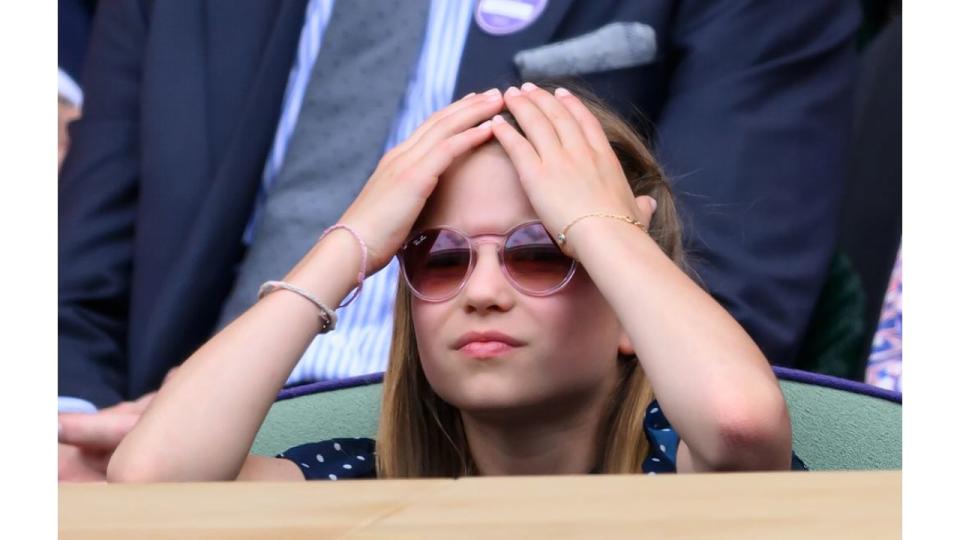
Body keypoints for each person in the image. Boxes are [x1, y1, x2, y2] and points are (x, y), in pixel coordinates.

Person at [61, 0, 856, 479]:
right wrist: (356, 240)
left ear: (623, 294)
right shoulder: (356, 474)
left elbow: (740, 419)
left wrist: (602, 226)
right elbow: (155, 479)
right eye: (437, 259)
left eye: (543, 251)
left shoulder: (677, 468)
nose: (480, 288)